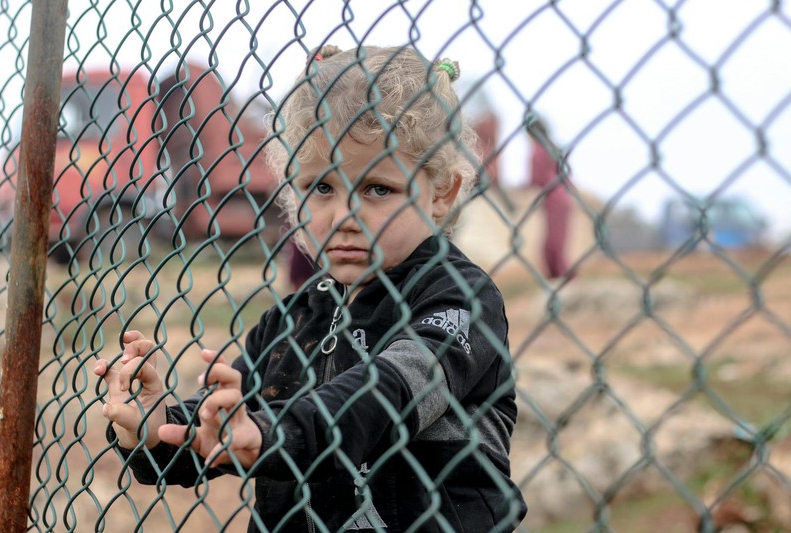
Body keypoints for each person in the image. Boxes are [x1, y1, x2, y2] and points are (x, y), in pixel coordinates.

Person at [94, 45, 527, 532]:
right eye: (320, 187)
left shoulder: (457, 297)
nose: (343, 218)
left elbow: (388, 394)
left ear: (442, 192)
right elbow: (226, 428)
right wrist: (155, 430)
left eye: (377, 189)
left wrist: (271, 434)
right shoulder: (292, 318)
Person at [526, 115, 575, 280]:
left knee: (552, 245)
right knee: (558, 241)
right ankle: (561, 278)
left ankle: (561, 276)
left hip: (552, 199)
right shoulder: (553, 149)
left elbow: (535, 179)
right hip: (564, 197)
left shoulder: (537, 152)